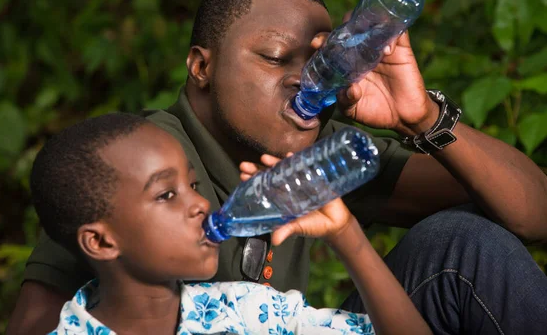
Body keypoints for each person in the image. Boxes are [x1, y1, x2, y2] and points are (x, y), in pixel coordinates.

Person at [7, 0, 547, 334]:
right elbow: (37, 321)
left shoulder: (325, 151)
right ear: (201, 66)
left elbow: (542, 217)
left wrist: (420, 119)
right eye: (276, 57)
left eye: (320, 59)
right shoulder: (134, 163)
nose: (306, 80)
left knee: (461, 243)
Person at [31, 112, 432, 334]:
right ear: (100, 242)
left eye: (192, 183)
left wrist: (347, 238)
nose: (200, 204)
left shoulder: (243, 310)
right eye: (166, 194)